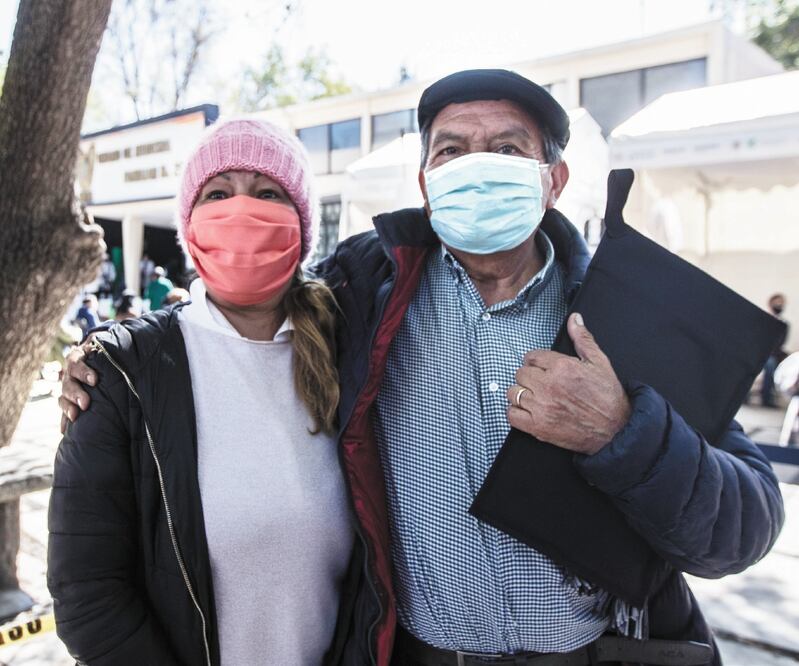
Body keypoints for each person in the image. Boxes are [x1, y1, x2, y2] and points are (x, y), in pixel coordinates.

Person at [61, 71, 784, 666]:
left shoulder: (629, 313)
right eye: (451, 151)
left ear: (552, 178)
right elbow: (243, 304)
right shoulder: (364, 297)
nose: (475, 165)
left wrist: (622, 433)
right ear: (425, 180)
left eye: (505, 147)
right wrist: (110, 355)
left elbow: (743, 527)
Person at [49, 119, 356, 665]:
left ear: (303, 226)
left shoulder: (349, 350)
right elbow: (88, 594)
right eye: (217, 193)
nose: (241, 211)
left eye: (267, 193)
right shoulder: (123, 370)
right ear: (189, 225)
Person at [761, 293, 789, 407]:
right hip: (757, 353)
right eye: (777, 302)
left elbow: (780, 343)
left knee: (771, 364)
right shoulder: (762, 319)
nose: (779, 305)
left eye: (781, 303)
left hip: (771, 355)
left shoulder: (784, 324)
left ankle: (766, 398)